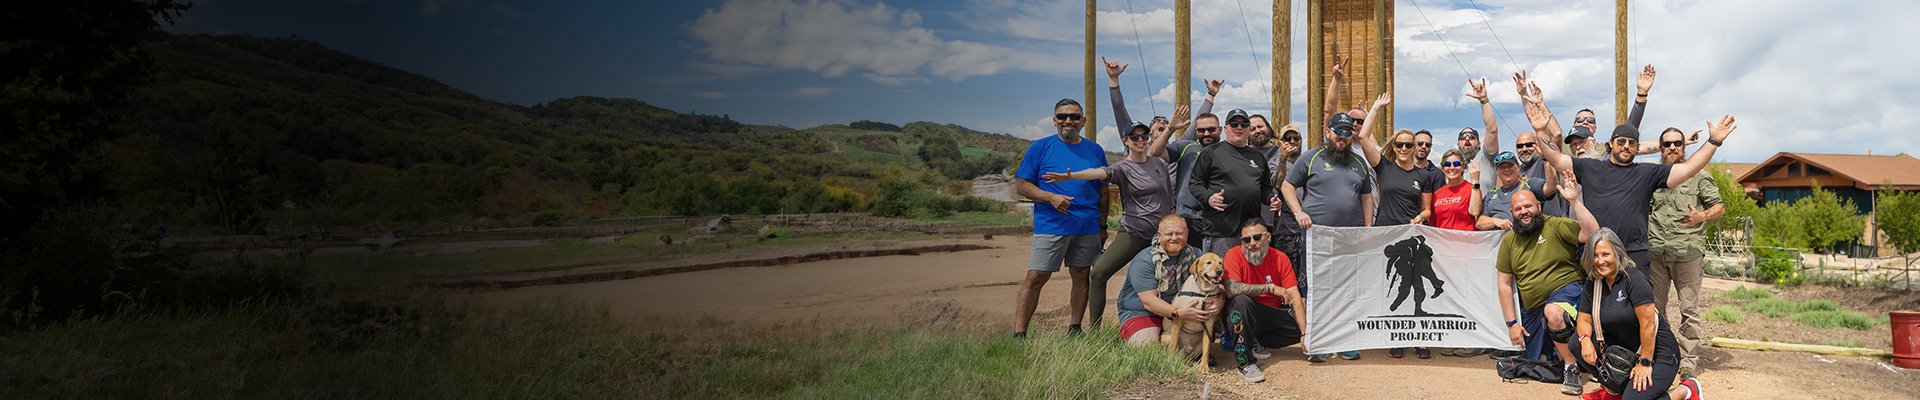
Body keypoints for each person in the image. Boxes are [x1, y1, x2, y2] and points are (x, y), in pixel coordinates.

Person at [1522, 76, 1741, 272]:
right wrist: (1541, 130)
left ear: (1638, 148)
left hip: (1635, 255)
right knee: (1596, 312)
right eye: (1621, 142)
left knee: (1642, 313)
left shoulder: (1647, 172)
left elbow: (1686, 169)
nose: (1626, 146)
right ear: (1611, 144)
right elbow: (1556, 158)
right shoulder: (1589, 167)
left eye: (1631, 143)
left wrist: (1713, 142)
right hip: (1597, 251)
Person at [1065, 57, 1184, 329]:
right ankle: (1094, 329)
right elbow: (1099, 173)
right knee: (1099, 274)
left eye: (1145, 137)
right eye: (1135, 137)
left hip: (1161, 236)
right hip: (1133, 233)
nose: (1141, 140)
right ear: (1125, 141)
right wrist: (1072, 175)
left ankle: (1173, 327)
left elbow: (1169, 196)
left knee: (1170, 281)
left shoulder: (1159, 162)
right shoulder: (1122, 167)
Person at [1280, 92, 1387, 362]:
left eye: (1348, 131)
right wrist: (1298, 211)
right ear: (1328, 131)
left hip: (1349, 237)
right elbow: (1287, 185)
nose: (1342, 135)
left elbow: (1365, 196)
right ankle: (1318, 341)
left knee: (1347, 288)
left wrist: (1367, 226)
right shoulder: (1313, 157)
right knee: (1317, 290)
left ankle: (1345, 340)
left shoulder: (1358, 162)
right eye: (1338, 130)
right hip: (1317, 236)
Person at [1011, 98, 1109, 338]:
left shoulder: (1095, 150)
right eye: (1063, 116)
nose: (1069, 121)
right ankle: (1019, 333)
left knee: (1081, 274)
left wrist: (1102, 225)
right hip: (1051, 225)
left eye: (1075, 117)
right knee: (1037, 276)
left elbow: (1103, 190)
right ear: (1054, 120)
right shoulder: (1040, 147)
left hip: (1087, 225)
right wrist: (1049, 197)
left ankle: (1075, 328)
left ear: (1083, 121)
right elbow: (1022, 185)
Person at [1570, 228, 1705, 400]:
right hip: (1626, 352)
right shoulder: (1593, 283)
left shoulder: (1633, 279)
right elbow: (1584, 319)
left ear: (1618, 253)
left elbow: (1649, 324)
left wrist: (1645, 362)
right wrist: (1585, 340)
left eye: (1605, 254)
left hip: (1657, 354)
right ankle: (1615, 390)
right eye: (1595, 255)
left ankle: (1685, 391)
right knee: (1575, 342)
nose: (1600, 260)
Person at [1497, 170, 1600, 396]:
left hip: (1566, 292)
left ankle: (1571, 367)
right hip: (1532, 308)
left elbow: (1593, 233)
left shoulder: (1555, 225)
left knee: (1553, 313)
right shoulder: (1509, 242)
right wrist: (1512, 323)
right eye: (1518, 209)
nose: (1524, 212)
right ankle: (1577, 356)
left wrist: (1574, 201)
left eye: (1528, 206)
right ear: (1512, 213)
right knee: (1539, 361)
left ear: (1539, 207)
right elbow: (1504, 284)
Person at [1355, 127, 1441, 358]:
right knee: (1394, 286)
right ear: (1394, 147)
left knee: (1417, 285)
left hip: (1411, 236)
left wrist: (1422, 217)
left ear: (1414, 148)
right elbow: (1363, 137)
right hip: (1387, 236)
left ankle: (1419, 338)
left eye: (1409, 145)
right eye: (1400, 145)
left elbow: (1427, 210)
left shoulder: (1423, 176)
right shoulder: (1384, 167)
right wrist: (1376, 108)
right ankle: (1397, 336)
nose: (1404, 149)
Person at [1644, 127, 1723, 379]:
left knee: (1689, 309)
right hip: (1656, 254)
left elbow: (1719, 207)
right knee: (1655, 309)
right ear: (1660, 147)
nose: (1672, 148)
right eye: (1666, 144)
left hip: (1687, 254)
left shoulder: (1699, 176)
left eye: (1677, 143)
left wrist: (1702, 215)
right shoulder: (1651, 177)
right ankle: (1665, 355)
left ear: (1683, 146)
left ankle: (1688, 360)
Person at [1220, 219, 1308, 383]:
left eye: (1257, 237)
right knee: (1240, 303)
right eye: (1246, 240)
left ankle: (1256, 340)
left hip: (1270, 315)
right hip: (1244, 312)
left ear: (1268, 237)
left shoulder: (1280, 258)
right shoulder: (1233, 254)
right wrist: (1270, 288)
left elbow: (1294, 297)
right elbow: (1233, 289)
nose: (1252, 243)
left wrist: (1305, 333)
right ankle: (1245, 363)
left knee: (1309, 320)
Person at [1116, 215, 1221, 347]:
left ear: (1187, 233)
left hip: (1180, 314)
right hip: (1143, 313)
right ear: (1159, 235)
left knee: (1192, 349)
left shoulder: (1196, 255)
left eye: (1179, 233)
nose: (1174, 238)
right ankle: (1133, 332)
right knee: (1146, 345)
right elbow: (1149, 302)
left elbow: (1220, 283)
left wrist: (1220, 301)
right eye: (1169, 234)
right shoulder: (1145, 260)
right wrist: (1179, 313)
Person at [1188, 109, 1281, 256]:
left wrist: (1271, 199)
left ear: (1248, 129)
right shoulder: (1211, 152)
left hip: (1251, 233)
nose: (1239, 127)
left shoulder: (1258, 157)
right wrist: (1209, 198)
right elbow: (1195, 183)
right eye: (1234, 124)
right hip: (1220, 232)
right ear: (1225, 128)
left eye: (1244, 124)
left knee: (1250, 277)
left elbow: (1265, 188)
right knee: (1220, 277)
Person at [1476, 151, 1558, 231]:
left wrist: (1546, 160)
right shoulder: (1491, 194)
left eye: (1510, 165)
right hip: (1498, 241)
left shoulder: (1530, 184)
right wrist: (1496, 221)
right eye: (1502, 167)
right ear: (1497, 172)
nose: (1506, 169)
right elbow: (1479, 222)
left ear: (1518, 167)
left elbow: (1551, 188)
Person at [1429, 149, 1482, 232]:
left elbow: (1475, 211)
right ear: (1442, 168)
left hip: (1465, 242)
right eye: (1447, 164)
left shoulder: (1472, 189)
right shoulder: (1437, 194)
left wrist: (1475, 180)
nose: (1452, 167)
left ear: (1463, 166)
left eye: (1456, 164)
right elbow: (1433, 223)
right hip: (1442, 241)